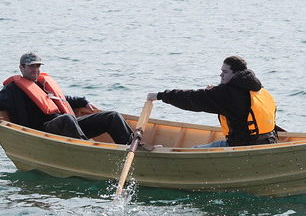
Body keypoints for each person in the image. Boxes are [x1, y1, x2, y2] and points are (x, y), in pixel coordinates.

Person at [0, 52, 133, 144]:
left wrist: (83, 101)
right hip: (41, 131)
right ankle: (86, 148)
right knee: (67, 119)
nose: (35, 69)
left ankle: (133, 147)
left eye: (38, 66)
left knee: (112, 116)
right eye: (31, 66)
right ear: (21, 67)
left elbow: (61, 98)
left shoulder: (41, 83)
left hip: (65, 125)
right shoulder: (11, 89)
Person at [147, 55, 278, 147]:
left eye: (224, 72)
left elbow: (192, 99)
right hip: (269, 141)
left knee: (194, 152)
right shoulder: (258, 89)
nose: (220, 75)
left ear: (235, 74)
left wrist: (160, 95)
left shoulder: (226, 95)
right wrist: (216, 91)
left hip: (243, 146)